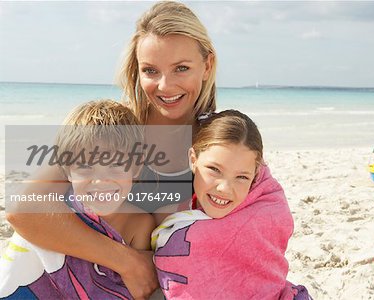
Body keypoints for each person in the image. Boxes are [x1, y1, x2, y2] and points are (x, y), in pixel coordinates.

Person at [6, 1, 216, 298]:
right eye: (151, 70)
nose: (165, 85)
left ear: (207, 66)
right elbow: (22, 209)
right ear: (136, 71)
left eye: (181, 68)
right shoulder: (111, 131)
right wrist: (126, 261)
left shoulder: (219, 141)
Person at [0, 100, 155, 298]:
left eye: (115, 165)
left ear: (136, 167)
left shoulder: (139, 224)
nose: (100, 181)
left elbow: (138, 285)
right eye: (85, 167)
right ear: (67, 171)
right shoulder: (55, 207)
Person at [151, 110, 311, 299]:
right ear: (193, 160)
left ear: (255, 175)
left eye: (242, 177)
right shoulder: (165, 203)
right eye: (214, 169)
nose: (225, 188)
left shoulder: (267, 213)